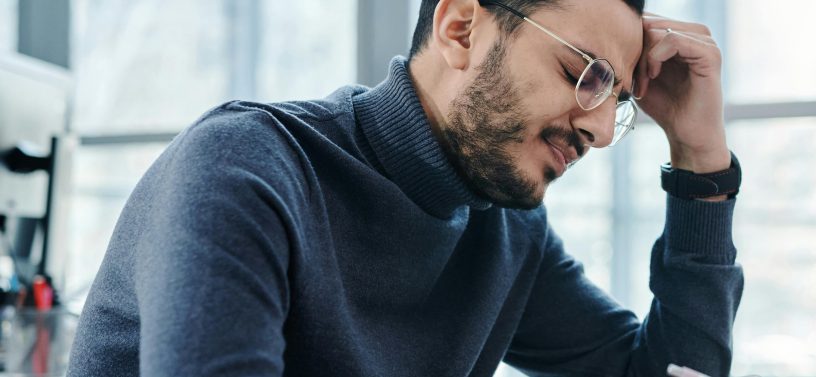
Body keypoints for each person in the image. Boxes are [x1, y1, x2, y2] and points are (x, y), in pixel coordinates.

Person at [68, 0, 743, 375]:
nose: (598, 128)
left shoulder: (504, 232)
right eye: (585, 72)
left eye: (617, 100)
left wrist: (699, 160)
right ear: (461, 26)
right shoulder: (244, 172)